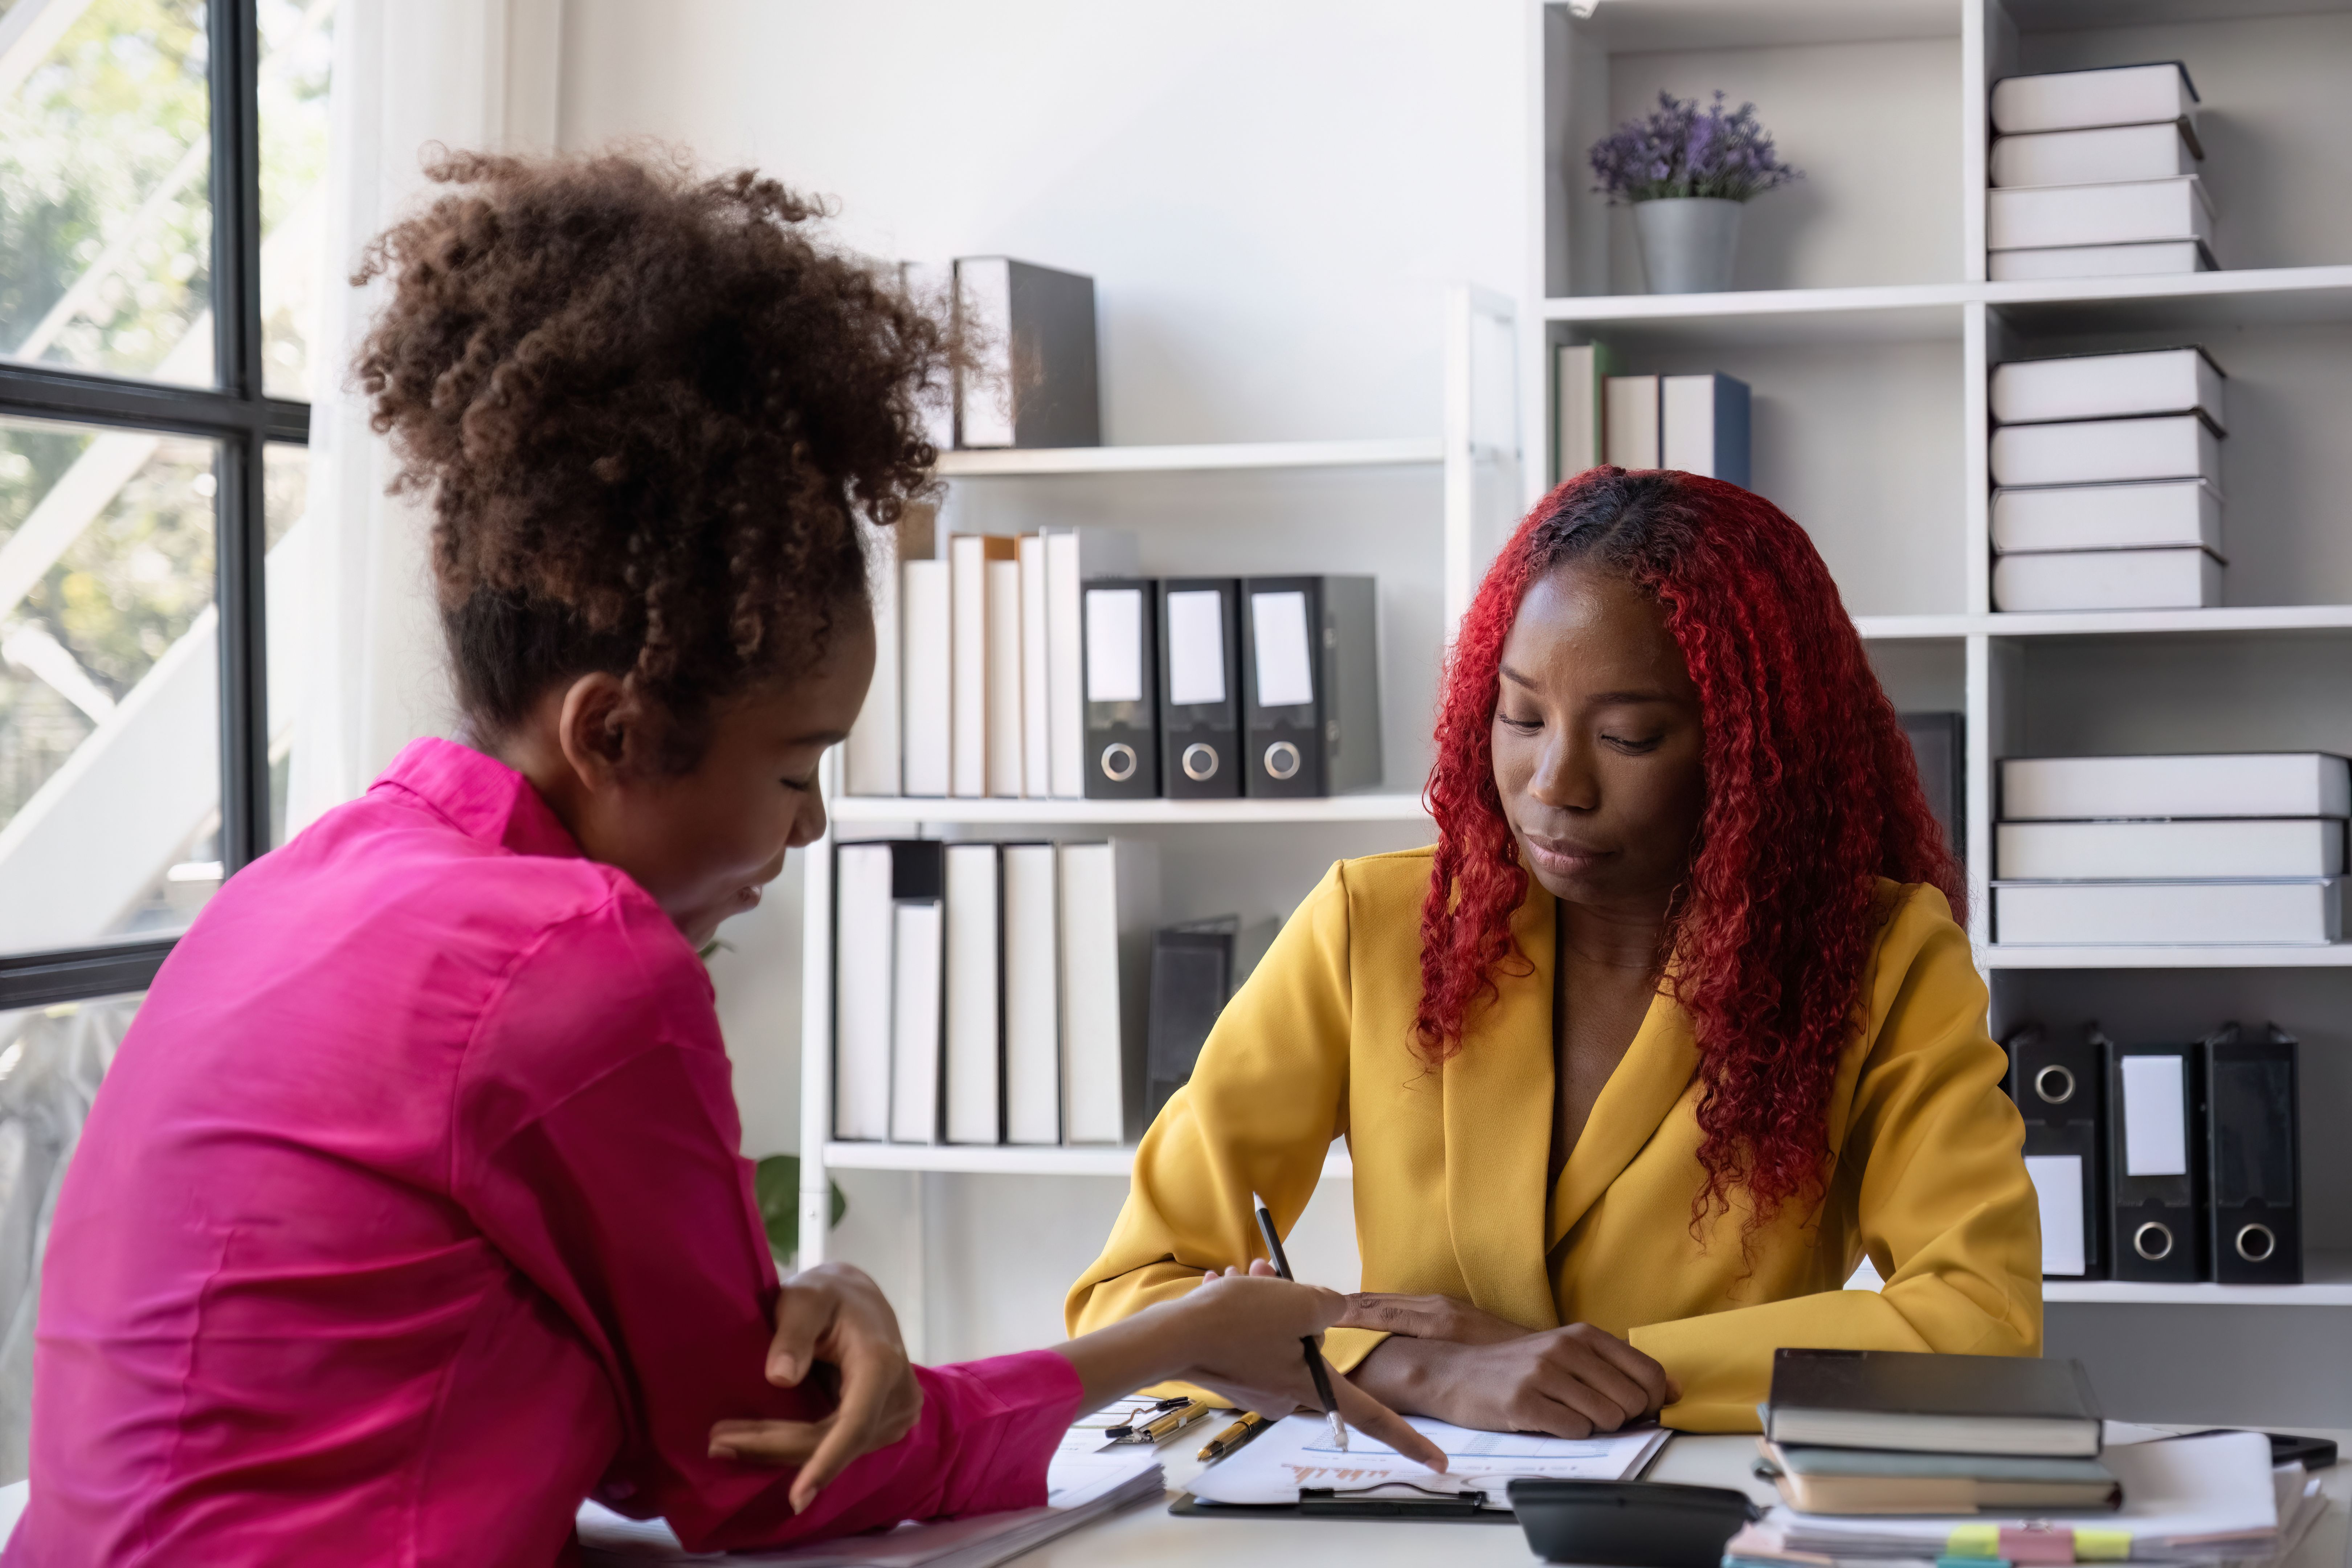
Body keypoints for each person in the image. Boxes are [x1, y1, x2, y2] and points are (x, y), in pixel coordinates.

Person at [4, 152, 1440, 1568]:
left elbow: (665, 1425)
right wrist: (1194, 1340)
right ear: (613, 731)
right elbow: (758, 1484)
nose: (811, 824)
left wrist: (812, 1303)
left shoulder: (307, 881)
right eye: (796, 768)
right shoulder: (576, 968)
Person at [1068, 467, 2043, 1437]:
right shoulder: (1369, 926)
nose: (1553, 784)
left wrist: (1607, 1372)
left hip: (1700, 1515)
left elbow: (1982, 1317)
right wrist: (1416, 1369)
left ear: (1749, 752)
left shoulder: (1880, 958)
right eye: (1522, 717)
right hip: (1405, 1505)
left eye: (1628, 736)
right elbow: (1133, 1297)